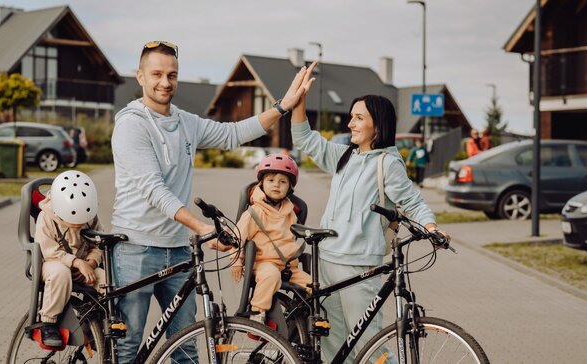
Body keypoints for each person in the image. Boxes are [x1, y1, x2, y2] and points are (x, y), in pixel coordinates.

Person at [110, 41, 315, 363]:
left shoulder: (185, 121)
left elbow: (232, 133)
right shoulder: (131, 125)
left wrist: (284, 105)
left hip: (178, 248)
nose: (165, 82)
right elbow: (153, 187)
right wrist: (200, 226)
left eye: (172, 75)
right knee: (127, 343)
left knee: (186, 345)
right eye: (157, 74)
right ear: (140, 76)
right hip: (137, 247)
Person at [289, 89, 449, 362]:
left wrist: (431, 227)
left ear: (378, 123)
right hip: (326, 260)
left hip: (360, 266)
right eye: (351, 117)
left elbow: (412, 201)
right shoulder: (344, 156)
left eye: (359, 118)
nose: (350, 123)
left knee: (369, 345)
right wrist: (300, 99)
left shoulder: (388, 163)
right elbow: (303, 137)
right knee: (333, 343)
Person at [230, 154, 311, 324]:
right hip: (262, 263)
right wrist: (236, 261)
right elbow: (237, 236)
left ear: (289, 187)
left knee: (314, 285)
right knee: (271, 275)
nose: (276, 184)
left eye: (283, 182)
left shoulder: (291, 211)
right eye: (271, 180)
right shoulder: (255, 212)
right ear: (261, 183)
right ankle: (257, 313)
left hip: (288, 266)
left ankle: (301, 318)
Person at [35, 170, 105, 348]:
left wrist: (91, 262)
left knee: (106, 279)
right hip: (52, 264)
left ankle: (97, 319)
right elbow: (49, 251)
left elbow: (99, 244)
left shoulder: (91, 217)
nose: (80, 226)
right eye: (74, 222)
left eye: (83, 222)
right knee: (61, 272)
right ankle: (48, 323)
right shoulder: (46, 217)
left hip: (84, 265)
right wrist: (76, 262)